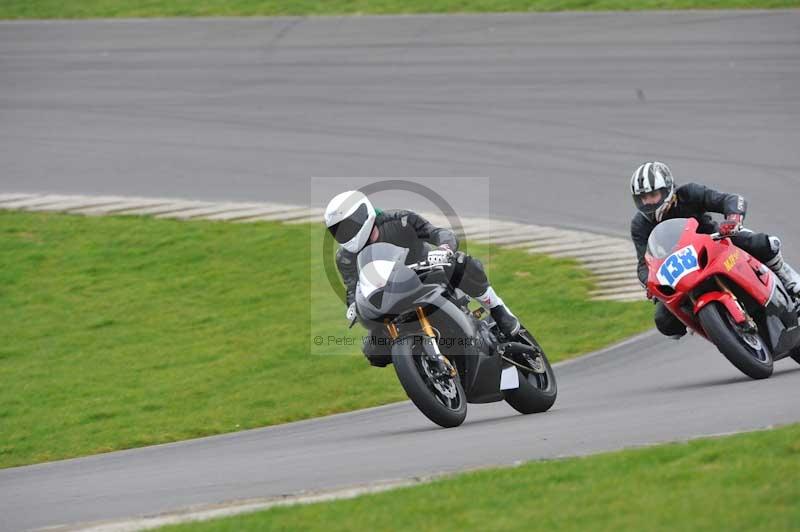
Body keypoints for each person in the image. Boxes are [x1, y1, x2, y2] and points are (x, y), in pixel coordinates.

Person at [325, 190, 520, 366]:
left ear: (363, 214)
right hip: (390, 296)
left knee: (462, 263)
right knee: (373, 351)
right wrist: (352, 305)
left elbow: (439, 233)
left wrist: (444, 249)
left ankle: (498, 309)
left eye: (348, 226)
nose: (344, 234)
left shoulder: (400, 220)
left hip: (427, 275)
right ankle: (420, 366)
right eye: (338, 230)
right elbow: (353, 287)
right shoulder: (345, 258)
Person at [630, 161, 800, 339]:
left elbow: (731, 200)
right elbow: (644, 263)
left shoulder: (689, 193)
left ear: (668, 188)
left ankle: (791, 283)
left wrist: (733, 220)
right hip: (681, 272)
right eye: (643, 198)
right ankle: (712, 327)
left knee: (764, 243)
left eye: (653, 195)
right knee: (664, 321)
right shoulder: (639, 225)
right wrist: (649, 282)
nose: (648, 202)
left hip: (716, 243)